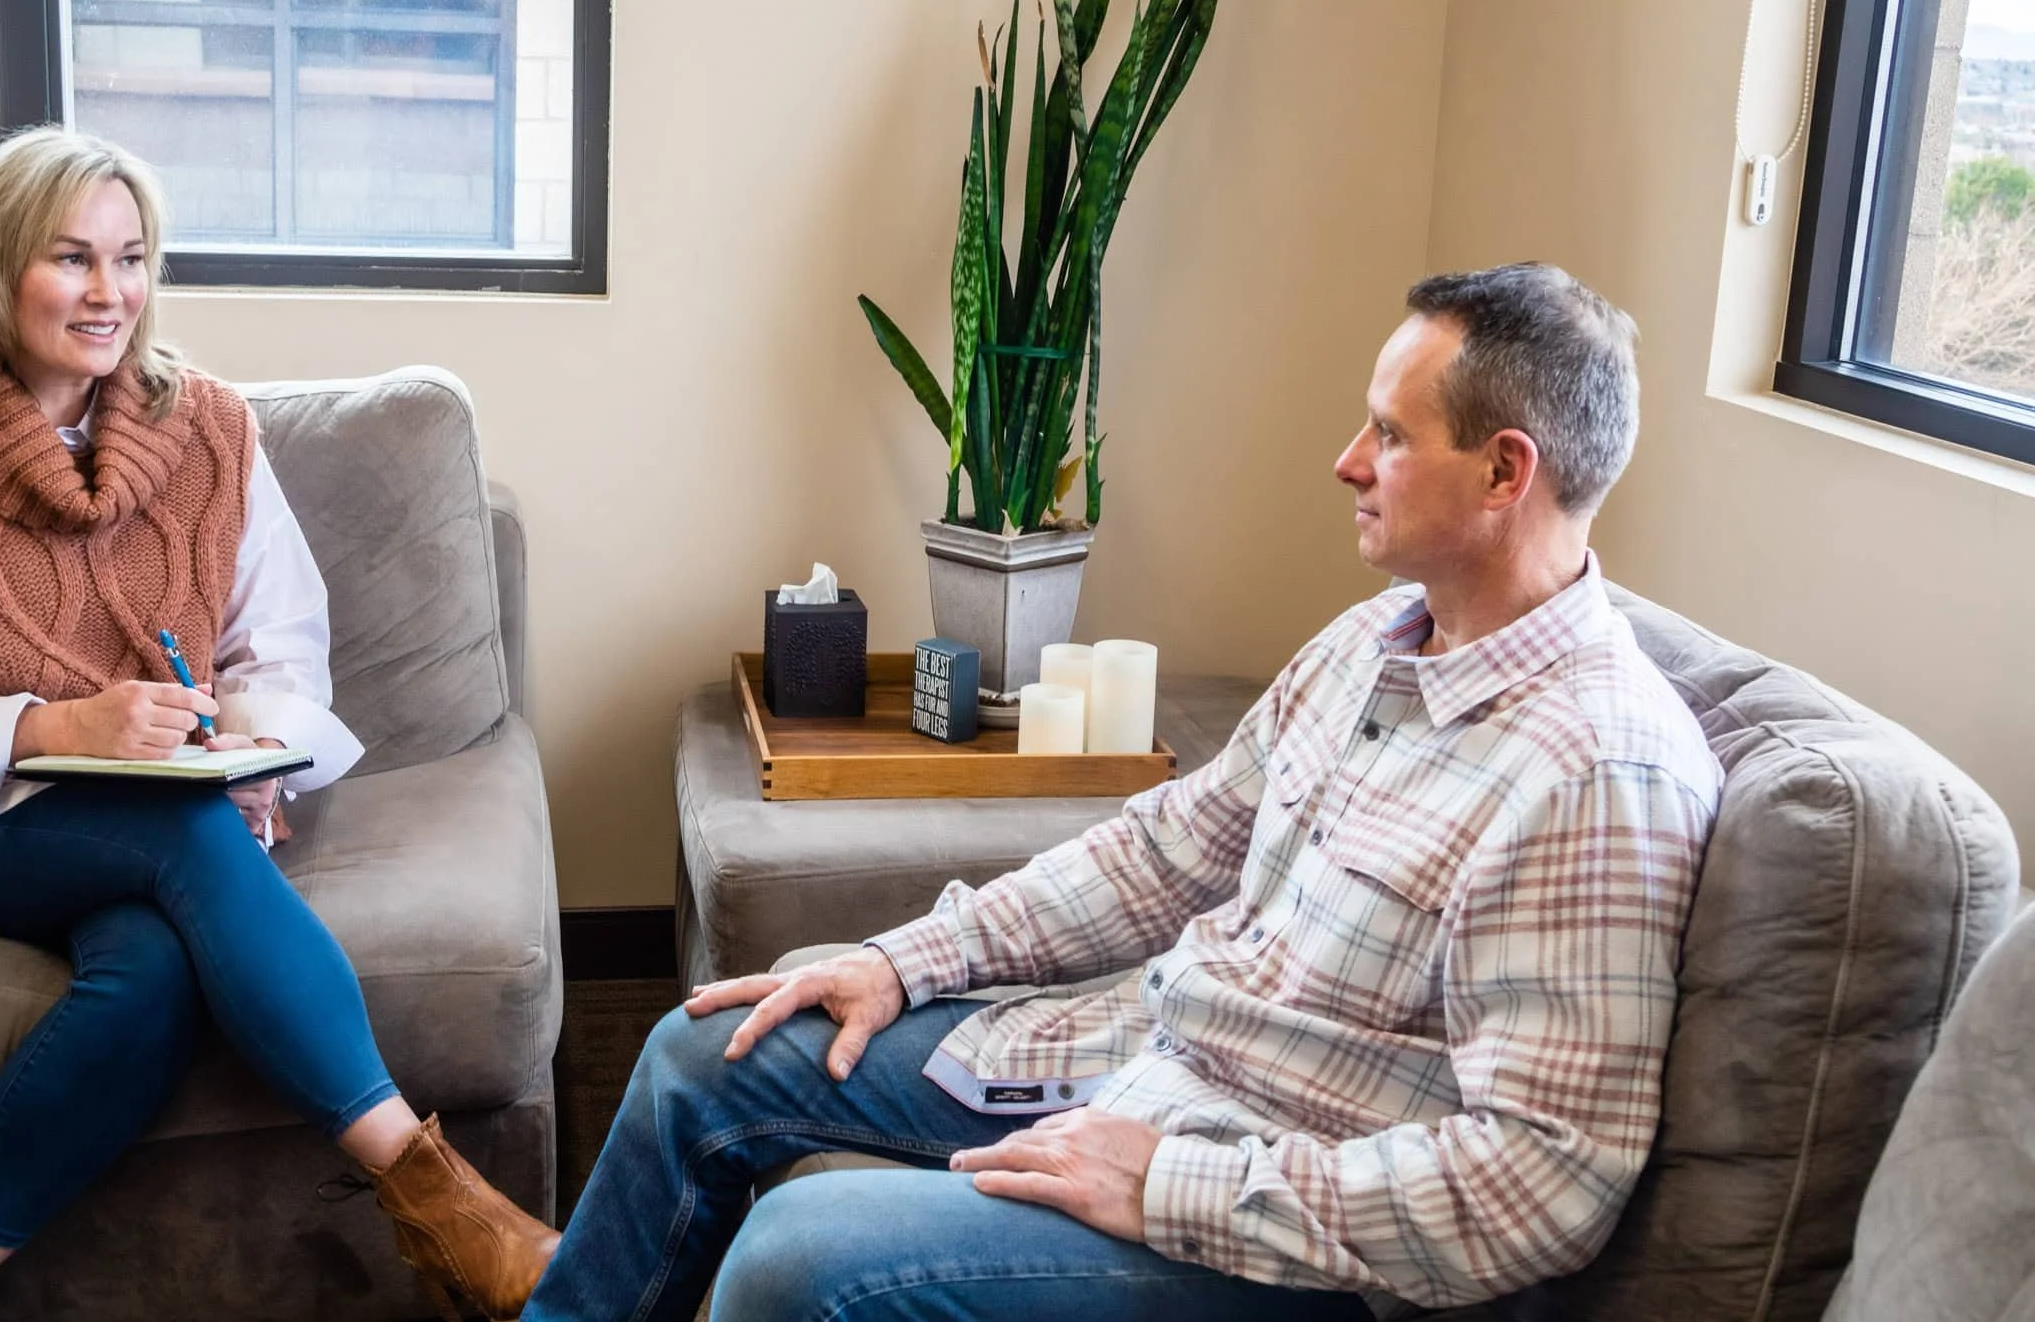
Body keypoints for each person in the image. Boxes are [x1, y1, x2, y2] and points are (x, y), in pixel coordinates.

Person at [527, 264, 1724, 1321]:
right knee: (707, 1053)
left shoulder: (1594, 774)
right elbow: (1165, 848)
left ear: (1505, 470)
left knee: (800, 1259)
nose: (1347, 462)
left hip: (1271, 1237)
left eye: (1389, 435)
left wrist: (1164, 1183)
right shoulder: (1375, 641)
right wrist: (905, 957)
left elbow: (1536, 1184)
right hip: (1142, 1057)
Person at [0, 128, 556, 1322]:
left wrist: (251, 752)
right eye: (70, 260)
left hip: (161, 806)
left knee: (151, 964)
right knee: (180, 838)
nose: (110, 293)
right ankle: (443, 1205)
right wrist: (64, 723)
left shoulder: (209, 426)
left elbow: (282, 642)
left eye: (132, 257)